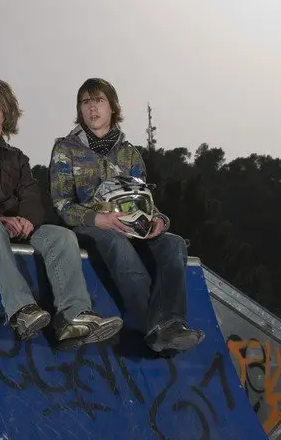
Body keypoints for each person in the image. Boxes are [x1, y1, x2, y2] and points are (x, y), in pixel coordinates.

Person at [0, 78, 123, 346]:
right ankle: (21, 310)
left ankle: (73, 317)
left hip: (10, 228)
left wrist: (26, 220)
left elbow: (31, 196)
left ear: (6, 112)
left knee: (61, 235)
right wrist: (0, 218)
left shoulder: (17, 158)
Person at [48, 77, 204, 355]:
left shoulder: (129, 154)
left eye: (99, 101)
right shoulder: (66, 149)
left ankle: (171, 323)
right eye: (85, 102)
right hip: (90, 227)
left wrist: (158, 219)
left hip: (132, 226)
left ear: (112, 107)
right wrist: (98, 219)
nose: (92, 108)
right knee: (116, 241)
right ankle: (155, 327)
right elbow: (62, 203)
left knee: (174, 243)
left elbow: (145, 199)